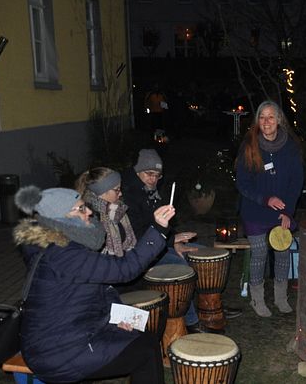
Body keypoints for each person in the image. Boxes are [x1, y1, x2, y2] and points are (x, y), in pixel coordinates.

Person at [13, 185, 170, 384]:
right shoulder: (64, 254)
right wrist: (158, 230)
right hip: (57, 353)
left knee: (143, 340)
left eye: (85, 206)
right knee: (146, 350)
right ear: (59, 219)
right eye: (80, 209)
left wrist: (115, 318)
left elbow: (96, 289)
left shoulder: (58, 245)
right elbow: (125, 270)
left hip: (66, 335)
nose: (88, 212)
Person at [122, 149, 239, 331]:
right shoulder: (130, 195)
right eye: (149, 174)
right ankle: (192, 322)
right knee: (180, 263)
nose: (153, 179)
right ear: (137, 172)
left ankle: (209, 306)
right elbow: (140, 233)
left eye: (157, 176)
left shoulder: (151, 192)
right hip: (141, 251)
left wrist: (174, 241)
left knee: (197, 250)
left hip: (158, 244)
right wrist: (171, 241)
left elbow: (162, 226)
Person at [235, 100, 304, 317]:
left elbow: (296, 182)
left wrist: (287, 211)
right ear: (258, 121)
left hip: (281, 211)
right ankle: (257, 299)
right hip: (255, 210)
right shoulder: (249, 146)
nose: (266, 122)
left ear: (279, 120)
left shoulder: (290, 147)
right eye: (262, 117)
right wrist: (265, 199)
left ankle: (281, 298)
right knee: (260, 254)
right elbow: (242, 183)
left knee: (282, 252)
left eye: (271, 117)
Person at [76, 167, 136, 257]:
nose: (120, 193)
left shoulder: (118, 209)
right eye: (117, 190)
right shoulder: (91, 218)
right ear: (102, 192)